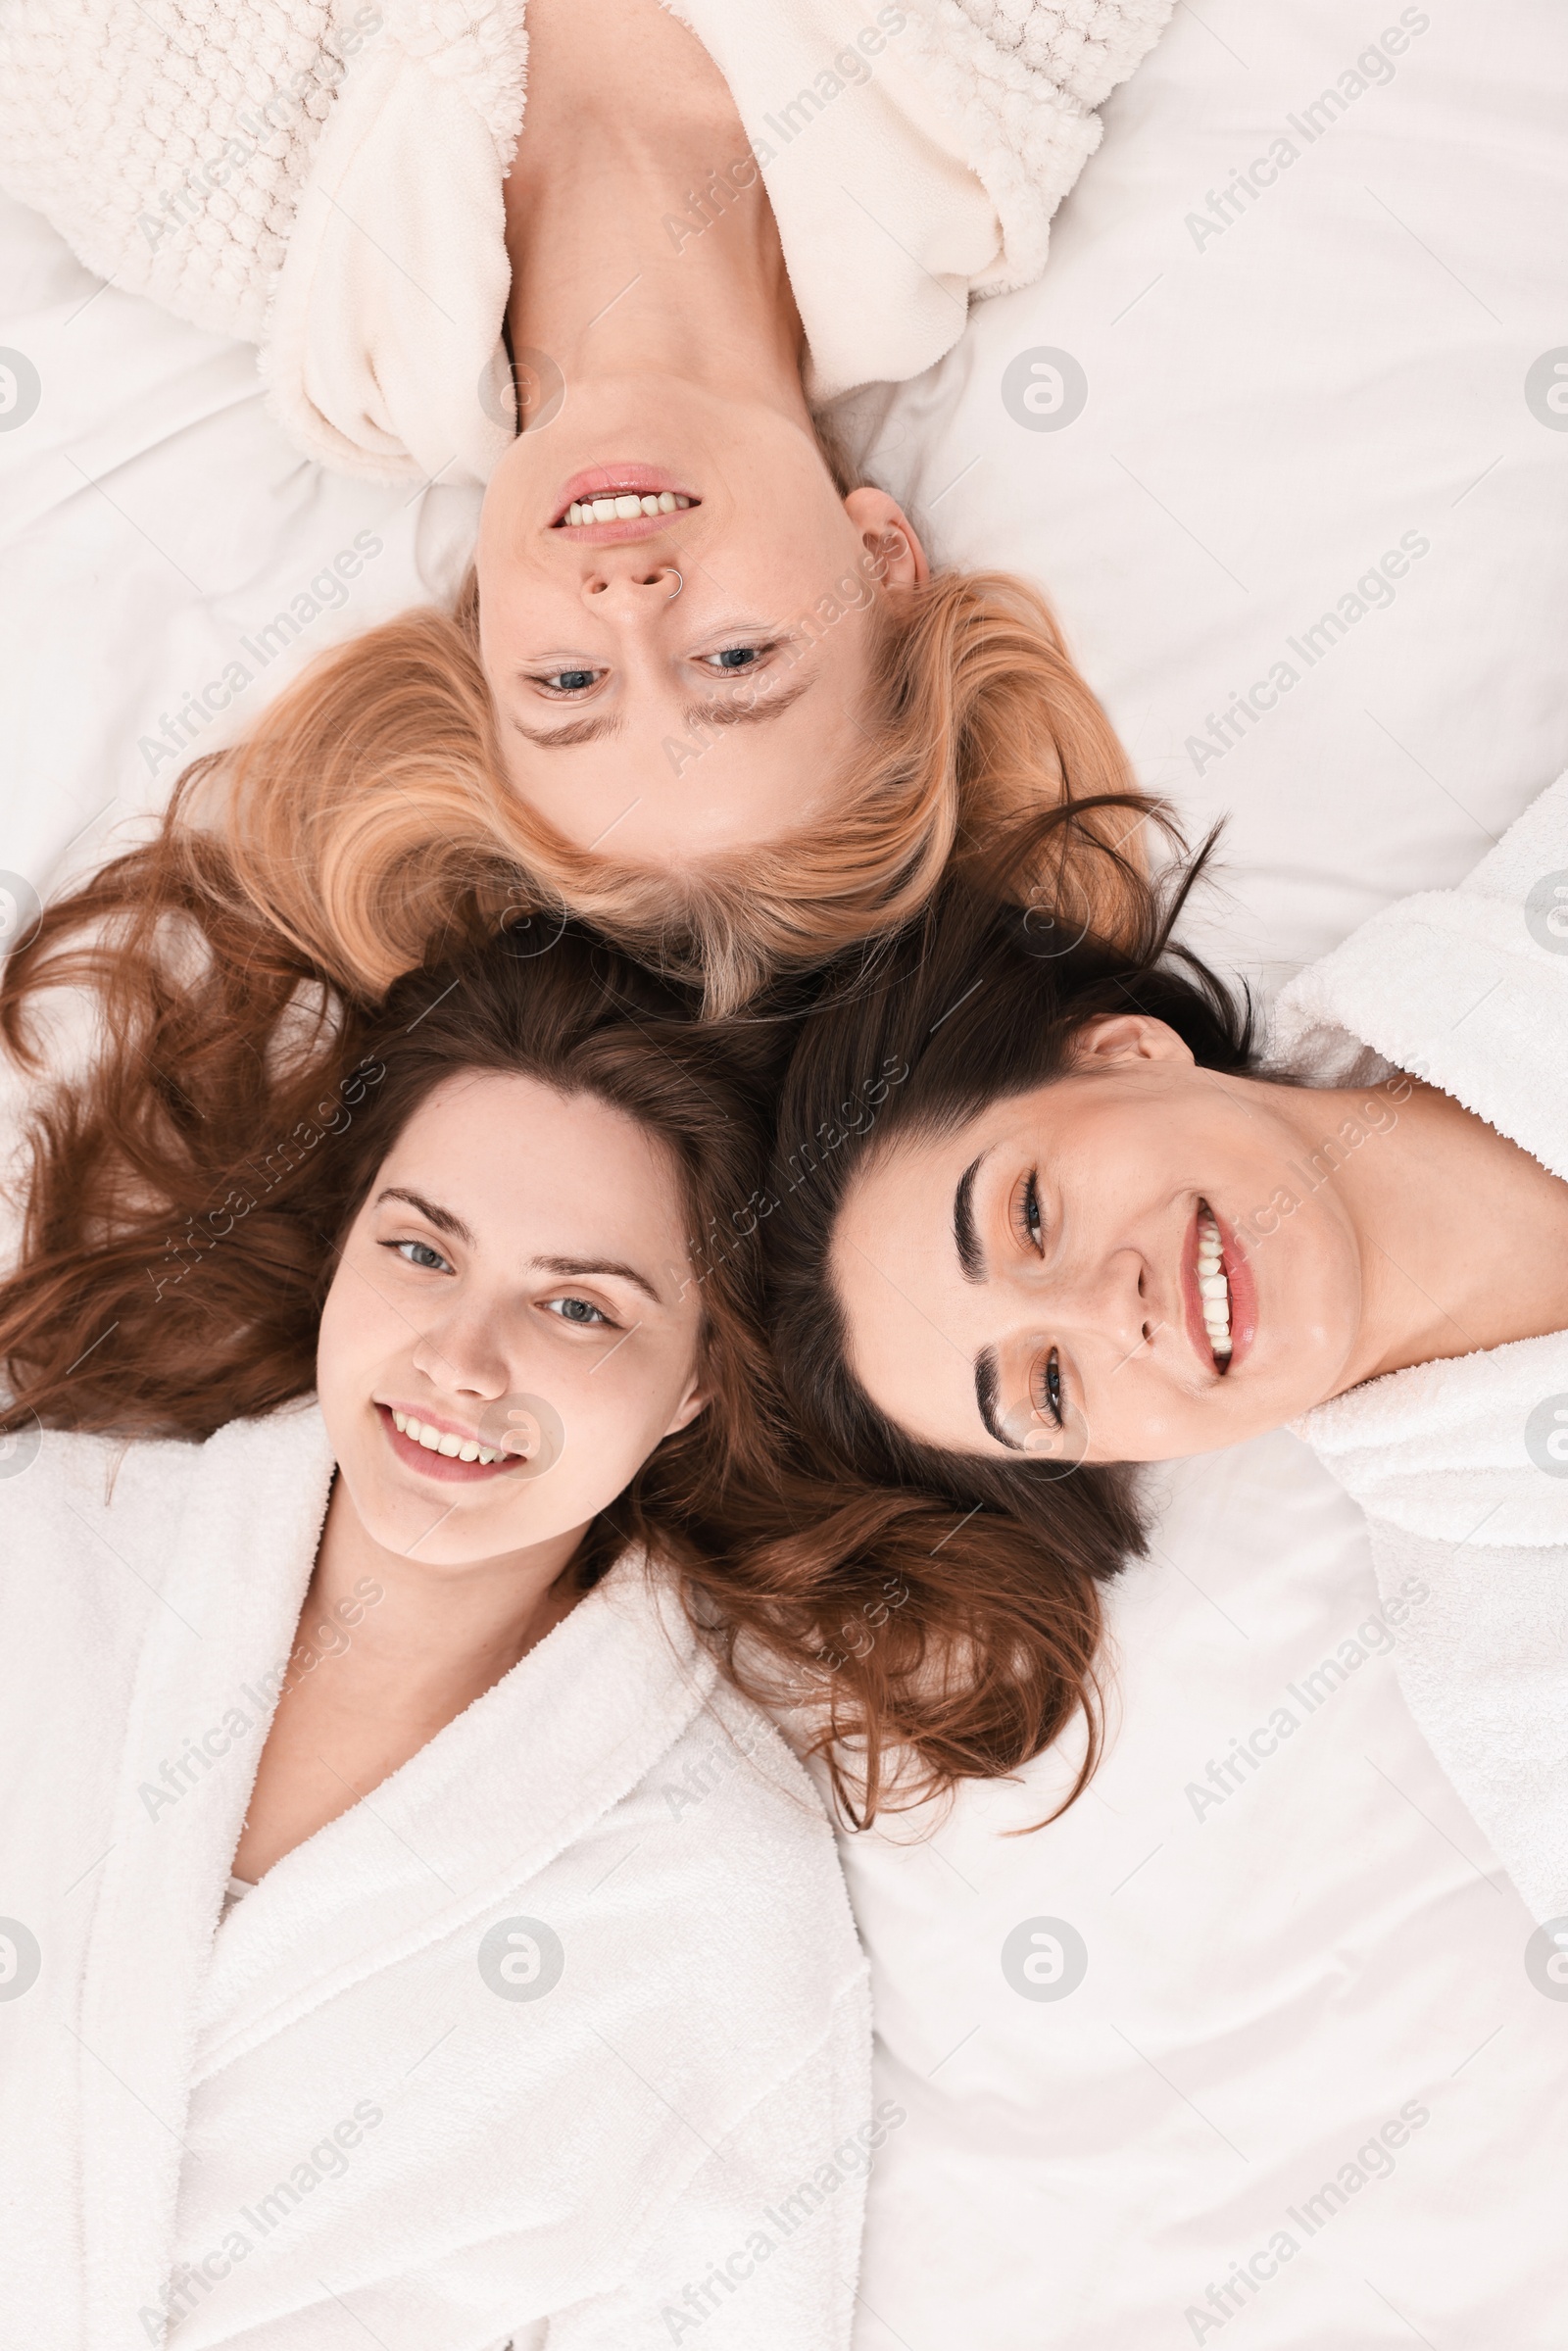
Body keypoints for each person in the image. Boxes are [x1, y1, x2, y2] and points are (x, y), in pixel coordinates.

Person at [0, 913, 884, 2348]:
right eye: (422, 1250)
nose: (463, 1365)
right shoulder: (40, 1557)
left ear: (697, 1384)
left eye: (581, 1307)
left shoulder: (717, 1899)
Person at [0, 0, 1173, 1008]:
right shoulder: (1003, 59)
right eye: (737, 658)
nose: (628, 605)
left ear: (481, 628)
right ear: (880, 561)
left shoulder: (182, 180)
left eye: (568, 686)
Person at [762, 781, 1568, 1925]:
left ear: (1126, 1052)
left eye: (1032, 1216)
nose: (1108, 1308)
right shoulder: (1529, 1692)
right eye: (1045, 1383)